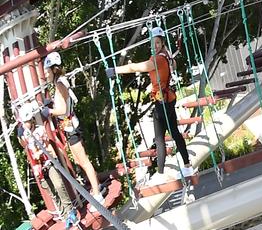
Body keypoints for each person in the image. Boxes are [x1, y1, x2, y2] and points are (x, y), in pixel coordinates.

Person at [107, 27, 192, 177]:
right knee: (174, 133)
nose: (155, 46)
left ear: (162, 42)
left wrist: (115, 70)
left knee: (159, 138)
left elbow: (136, 68)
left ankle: (160, 172)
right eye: (153, 44)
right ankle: (187, 165)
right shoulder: (166, 55)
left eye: (157, 43)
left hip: (163, 102)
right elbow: (173, 66)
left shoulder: (158, 59)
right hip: (169, 98)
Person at [42, 51, 103, 198]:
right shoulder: (61, 82)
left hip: (70, 126)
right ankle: (97, 186)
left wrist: (48, 111)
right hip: (70, 125)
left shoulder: (59, 84)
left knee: (83, 160)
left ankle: (97, 193)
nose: (46, 75)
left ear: (52, 69)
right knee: (78, 159)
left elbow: (62, 109)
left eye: (46, 71)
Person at [14, 100, 77, 228]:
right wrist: (20, 135)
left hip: (48, 162)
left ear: (31, 120)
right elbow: (24, 146)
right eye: (23, 122)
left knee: (59, 185)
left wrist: (54, 158)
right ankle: (64, 215)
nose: (26, 124)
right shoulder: (24, 135)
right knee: (51, 191)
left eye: (27, 121)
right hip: (38, 168)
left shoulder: (40, 130)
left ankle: (71, 211)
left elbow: (48, 146)